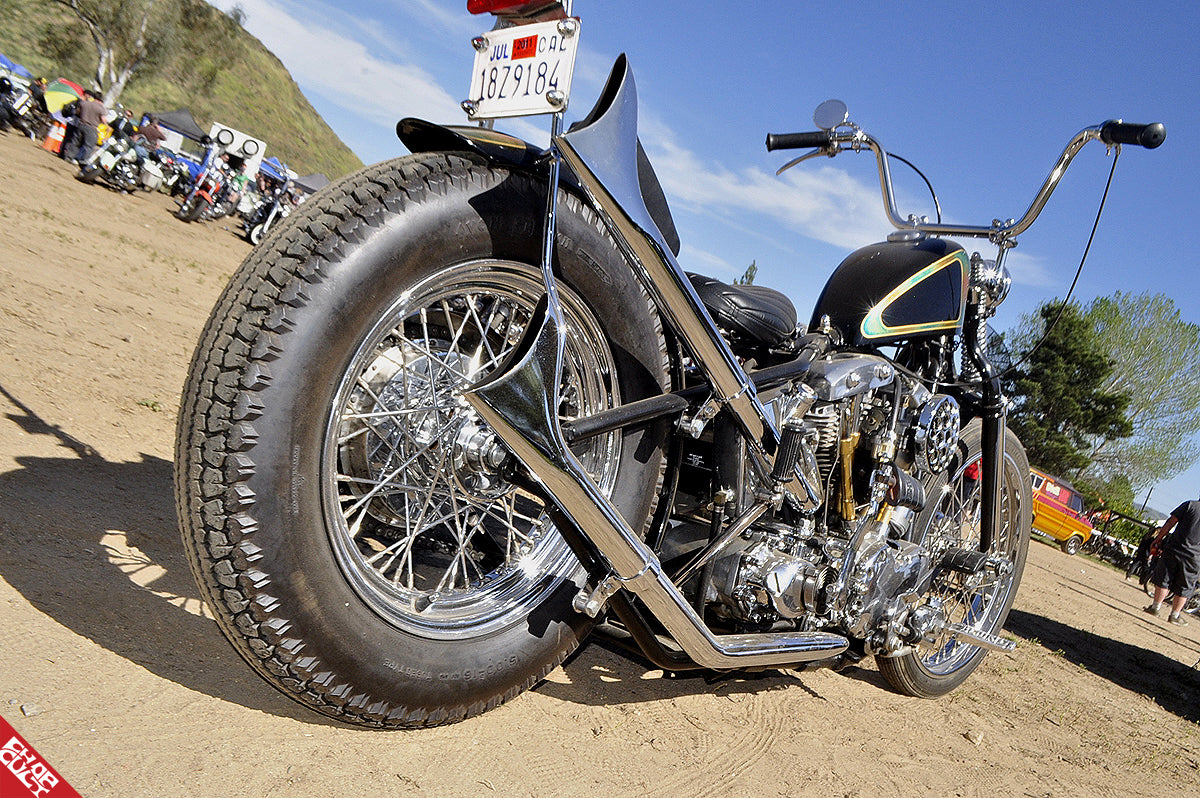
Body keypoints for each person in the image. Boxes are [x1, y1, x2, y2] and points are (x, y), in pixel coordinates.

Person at [1144, 496, 1200, 626]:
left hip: (1174, 548)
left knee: (1165, 578)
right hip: (1195, 556)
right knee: (1185, 585)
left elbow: (1171, 522)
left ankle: (1155, 607)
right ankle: (1174, 615)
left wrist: (1158, 538)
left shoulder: (1189, 505)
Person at [70, 89, 106, 164]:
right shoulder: (101, 108)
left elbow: (77, 112)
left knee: (75, 142)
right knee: (88, 146)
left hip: (81, 124)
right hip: (92, 128)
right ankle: (81, 160)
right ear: (101, 99)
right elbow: (103, 120)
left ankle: (69, 157)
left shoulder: (84, 103)